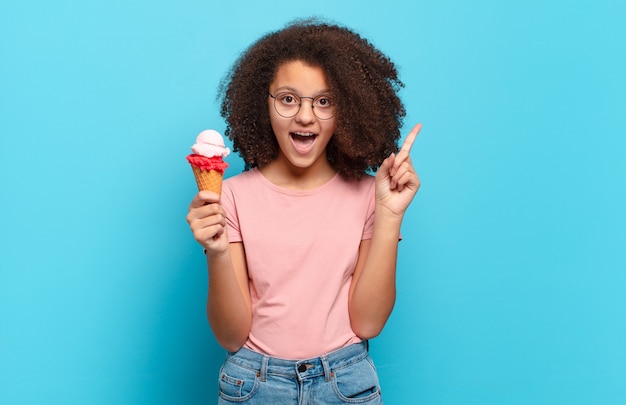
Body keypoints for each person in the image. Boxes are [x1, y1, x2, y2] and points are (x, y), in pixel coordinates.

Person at [187, 18, 421, 404]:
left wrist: (390, 214)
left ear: (348, 108)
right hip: (254, 384)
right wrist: (216, 252)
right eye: (288, 98)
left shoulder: (369, 195)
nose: (306, 116)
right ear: (264, 103)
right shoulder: (231, 198)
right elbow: (231, 335)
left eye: (324, 101)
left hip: (345, 383)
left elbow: (368, 321)